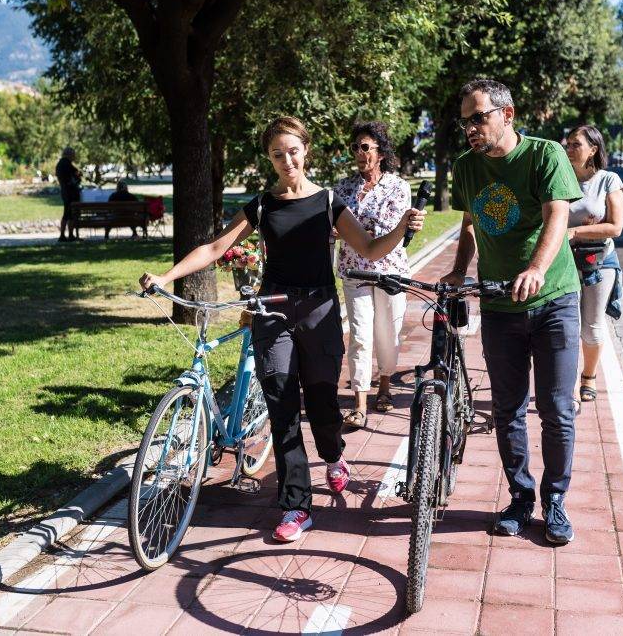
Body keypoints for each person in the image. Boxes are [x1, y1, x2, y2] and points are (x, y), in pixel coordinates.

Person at [139, 116, 424, 543]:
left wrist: (402, 230)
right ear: (269, 158)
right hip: (272, 312)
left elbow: (367, 248)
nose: (286, 159)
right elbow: (217, 247)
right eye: (277, 153)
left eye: (293, 150)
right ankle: (296, 505)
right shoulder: (262, 205)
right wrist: (165, 277)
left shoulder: (329, 201)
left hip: (319, 311)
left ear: (305, 150)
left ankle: (332, 456)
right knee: (283, 409)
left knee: (324, 406)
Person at [441, 79, 583, 545]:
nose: (471, 128)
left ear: (508, 114)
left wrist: (537, 268)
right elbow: (468, 223)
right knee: (507, 409)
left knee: (558, 410)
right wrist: (460, 270)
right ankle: (521, 498)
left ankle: (555, 499)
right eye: (465, 121)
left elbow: (557, 215)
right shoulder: (466, 166)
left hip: (553, 299)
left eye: (479, 117)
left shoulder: (544, 155)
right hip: (500, 302)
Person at [334, 121, 411, 430]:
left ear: (381, 153)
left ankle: (385, 386)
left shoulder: (398, 186)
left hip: (390, 272)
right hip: (354, 271)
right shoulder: (342, 187)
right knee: (360, 336)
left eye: (365, 147)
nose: (359, 153)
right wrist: (360, 229)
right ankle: (360, 402)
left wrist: (353, 228)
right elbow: (335, 227)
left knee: (387, 335)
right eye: (355, 147)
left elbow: (393, 229)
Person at [564, 125, 623, 403]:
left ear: (593, 149)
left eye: (576, 144)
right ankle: (565, 382)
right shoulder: (560, 177)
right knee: (564, 324)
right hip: (563, 261)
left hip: (599, 261)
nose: (569, 149)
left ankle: (588, 377)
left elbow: (615, 227)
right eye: (568, 144)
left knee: (592, 325)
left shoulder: (608, 180)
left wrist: (576, 232)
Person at [56, 146, 82, 242]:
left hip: (64, 191)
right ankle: (70, 235)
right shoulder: (67, 164)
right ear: (69, 154)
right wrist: (78, 176)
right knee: (70, 214)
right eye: (73, 154)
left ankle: (63, 235)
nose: (74, 157)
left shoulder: (60, 164)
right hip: (70, 192)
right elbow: (75, 176)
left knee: (66, 214)